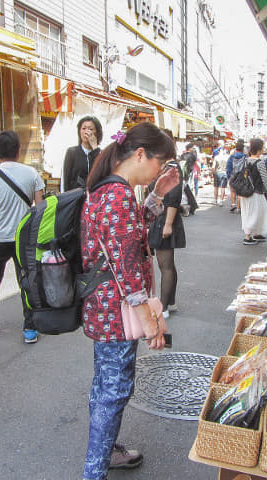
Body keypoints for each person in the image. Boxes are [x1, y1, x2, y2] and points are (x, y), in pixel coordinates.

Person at [80, 122, 178, 480]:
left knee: (106, 385)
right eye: (160, 164)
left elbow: (128, 231)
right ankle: (95, 471)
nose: (160, 170)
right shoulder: (117, 195)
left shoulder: (111, 189)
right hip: (115, 313)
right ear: (140, 155)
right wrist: (152, 323)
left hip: (105, 309)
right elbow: (126, 267)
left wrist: (156, 194)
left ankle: (105, 452)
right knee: (114, 390)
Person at [0, 131, 45, 343]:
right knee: (26, 280)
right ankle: (30, 328)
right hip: (22, 238)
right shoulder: (32, 174)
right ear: (19, 150)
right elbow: (40, 208)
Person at [148, 157, 185, 319]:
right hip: (161, 218)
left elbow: (174, 198)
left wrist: (168, 223)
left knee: (166, 266)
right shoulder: (163, 165)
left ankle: (163, 307)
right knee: (168, 265)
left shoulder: (172, 166)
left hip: (164, 219)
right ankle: (170, 302)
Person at [240, 138, 267, 245]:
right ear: (259, 149)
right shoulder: (260, 163)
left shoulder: (245, 161)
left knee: (250, 213)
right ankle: (248, 236)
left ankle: (255, 233)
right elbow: (265, 179)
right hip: (256, 192)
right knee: (255, 214)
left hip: (245, 191)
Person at [62, 116, 102, 191]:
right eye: (83, 128)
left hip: (95, 197)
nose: (87, 132)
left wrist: (95, 148)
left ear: (97, 132)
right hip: (76, 198)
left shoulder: (100, 153)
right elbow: (66, 179)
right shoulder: (72, 152)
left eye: (90, 129)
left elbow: (101, 174)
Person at [227, 140, 247, 212]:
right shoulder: (245, 157)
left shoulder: (231, 157)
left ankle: (233, 204)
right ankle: (239, 208)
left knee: (233, 191)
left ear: (236, 149)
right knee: (240, 192)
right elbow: (247, 167)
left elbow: (228, 167)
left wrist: (229, 176)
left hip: (233, 175)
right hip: (241, 176)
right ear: (243, 149)